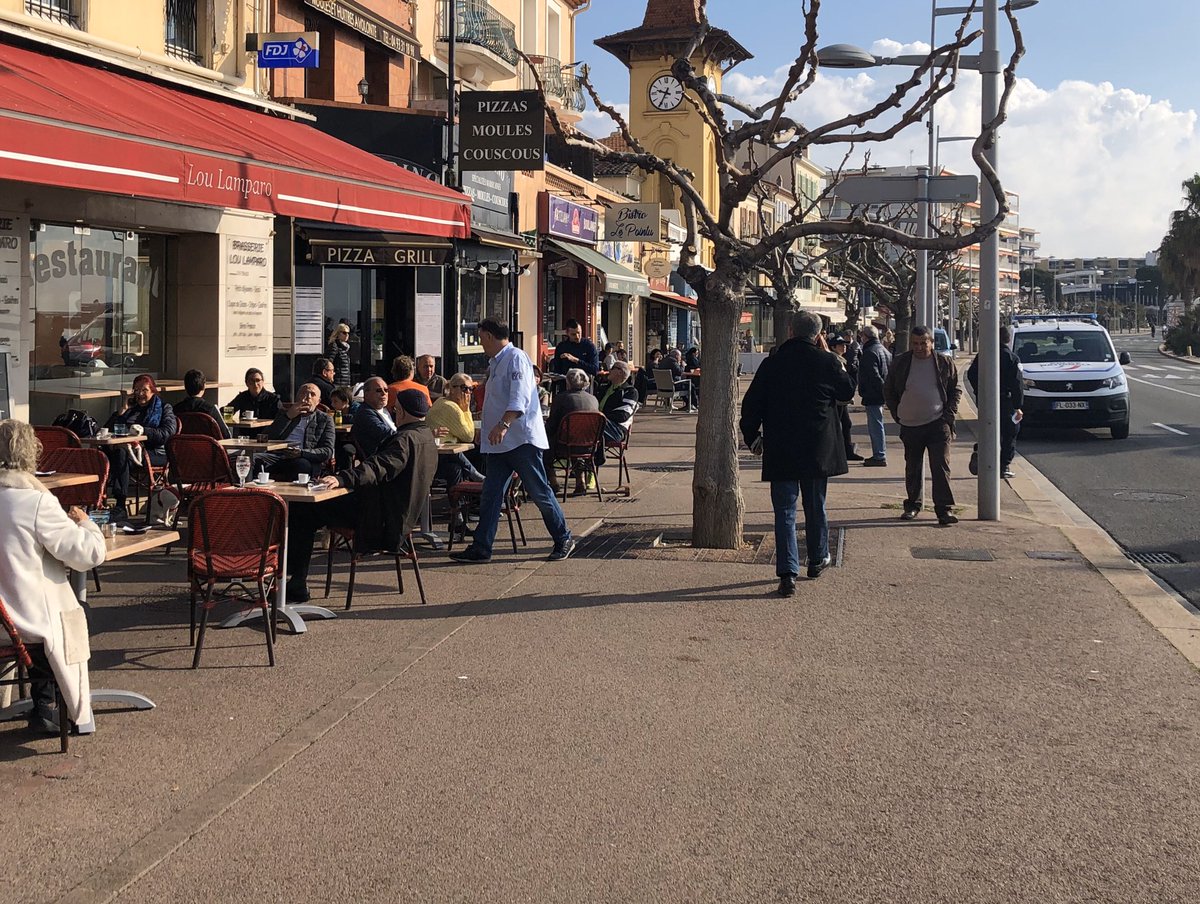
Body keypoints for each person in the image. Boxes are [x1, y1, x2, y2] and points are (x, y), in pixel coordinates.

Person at [740, 310, 856, 597]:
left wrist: (753, 436)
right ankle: (817, 558)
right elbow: (847, 392)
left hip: (781, 447)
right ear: (818, 335)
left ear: (790, 331)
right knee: (816, 505)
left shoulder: (773, 363)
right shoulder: (827, 362)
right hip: (818, 448)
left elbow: (751, 404)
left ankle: (787, 572)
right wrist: (833, 356)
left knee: (785, 511)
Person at [0, 419, 106, 733]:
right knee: (76, 614)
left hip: (4, 618)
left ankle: (43, 702)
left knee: (48, 614)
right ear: (31, 455)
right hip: (25, 623)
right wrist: (87, 524)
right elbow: (88, 555)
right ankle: (53, 706)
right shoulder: (35, 502)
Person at [285, 389, 438, 602]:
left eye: (396, 409)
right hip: (402, 516)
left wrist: (342, 479)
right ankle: (293, 578)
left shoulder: (405, 440)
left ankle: (295, 579)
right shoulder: (427, 437)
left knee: (303, 509)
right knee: (310, 508)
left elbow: (378, 467)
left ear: (401, 412)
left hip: (380, 519)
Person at [449, 319, 574, 563]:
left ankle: (563, 537)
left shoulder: (515, 358)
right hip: (500, 443)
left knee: (539, 491)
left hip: (520, 440)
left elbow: (521, 398)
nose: (480, 343)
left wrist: (502, 425)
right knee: (491, 495)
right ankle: (482, 547)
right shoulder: (496, 362)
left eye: (481, 337)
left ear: (488, 335)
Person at [883, 325, 962, 525]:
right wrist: (897, 413)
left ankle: (944, 510)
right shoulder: (901, 362)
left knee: (940, 466)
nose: (919, 347)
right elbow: (889, 389)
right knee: (913, 467)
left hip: (938, 423)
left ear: (931, 343)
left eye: (923, 343)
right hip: (910, 425)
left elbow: (955, 390)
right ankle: (912, 505)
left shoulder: (944, 362)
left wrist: (948, 416)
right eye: (915, 344)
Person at [104, 374, 178, 521]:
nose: (140, 394)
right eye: (136, 390)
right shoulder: (132, 409)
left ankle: (119, 504)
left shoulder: (164, 408)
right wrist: (122, 412)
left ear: (152, 390)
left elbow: (167, 432)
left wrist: (144, 431)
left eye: (144, 390)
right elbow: (108, 429)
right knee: (107, 455)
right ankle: (99, 501)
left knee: (120, 454)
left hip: (155, 452)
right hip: (130, 451)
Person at [966, 325, 1024, 479]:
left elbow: (971, 374)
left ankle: (981, 451)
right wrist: (1018, 406)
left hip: (985, 400)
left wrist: (980, 392)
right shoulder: (1011, 358)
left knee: (989, 428)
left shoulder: (984, 355)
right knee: (1010, 432)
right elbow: (1017, 384)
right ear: (1008, 339)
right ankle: (1003, 465)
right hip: (1006, 401)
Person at [255, 382, 335, 481]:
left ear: (318, 401)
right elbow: (266, 437)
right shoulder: (285, 413)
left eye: (312, 394)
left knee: (302, 466)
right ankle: (250, 493)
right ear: (297, 397)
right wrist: (287, 417)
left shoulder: (325, 419)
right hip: (278, 454)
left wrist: (302, 453)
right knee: (251, 460)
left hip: (303, 457)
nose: (307, 397)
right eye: (304, 393)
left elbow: (327, 451)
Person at [426, 373, 486, 493]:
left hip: (446, 453)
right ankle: (478, 487)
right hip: (437, 455)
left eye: (471, 389)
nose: (468, 392)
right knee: (479, 454)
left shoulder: (442, 400)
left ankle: (466, 502)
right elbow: (468, 436)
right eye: (464, 388)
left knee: (462, 464)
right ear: (452, 389)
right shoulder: (450, 407)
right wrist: (466, 409)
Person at [544, 368, 600, 495]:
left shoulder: (561, 398)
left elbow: (552, 425)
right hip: (589, 446)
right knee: (575, 439)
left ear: (568, 382)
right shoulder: (593, 399)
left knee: (543, 446)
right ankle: (580, 481)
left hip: (564, 445)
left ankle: (553, 482)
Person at [857, 324, 893, 467]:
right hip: (881, 393)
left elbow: (873, 375)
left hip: (873, 394)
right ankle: (879, 453)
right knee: (878, 423)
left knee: (875, 424)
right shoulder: (884, 350)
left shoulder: (869, 352)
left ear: (866, 337)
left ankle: (879, 455)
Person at [173, 369, 233, 439]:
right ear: (204, 386)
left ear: (185, 387)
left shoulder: (176, 409)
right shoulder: (211, 409)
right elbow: (226, 435)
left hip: (182, 449)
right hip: (209, 449)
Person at [829, 337, 863, 462]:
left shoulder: (841, 359)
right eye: (840, 345)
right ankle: (838, 451)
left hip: (842, 400)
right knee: (838, 424)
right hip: (837, 399)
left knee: (846, 424)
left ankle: (847, 450)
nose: (844, 347)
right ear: (833, 347)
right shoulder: (834, 360)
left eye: (844, 345)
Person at [351, 377, 398, 458]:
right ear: (366, 394)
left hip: (395, 452)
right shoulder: (365, 413)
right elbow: (385, 433)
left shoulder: (386, 410)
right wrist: (407, 436)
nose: (384, 393)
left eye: (386, 390)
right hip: (382, 459)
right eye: (378, 390)